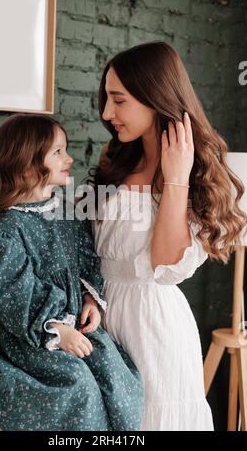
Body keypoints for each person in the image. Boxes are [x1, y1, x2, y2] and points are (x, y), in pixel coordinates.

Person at [87, 42, 247, 431]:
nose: (108, 113)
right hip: (102, 319)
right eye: (107, 100)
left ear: (153, 97)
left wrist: (175, 178)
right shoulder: (117, 156)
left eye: (118, 100)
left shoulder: (195, 171)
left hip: (153, 329)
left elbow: (164, 265)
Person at [0, 113, 143, 431]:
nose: (69, 158)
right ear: (29, 163)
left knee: (114, 370)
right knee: (77, 385)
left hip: (74, 322)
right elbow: (13, 292)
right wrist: (58, 331)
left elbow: (88, 260)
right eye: (58, 152)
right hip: (29, 333)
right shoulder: (7, 229)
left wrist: (90, 300)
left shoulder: (66, 211)